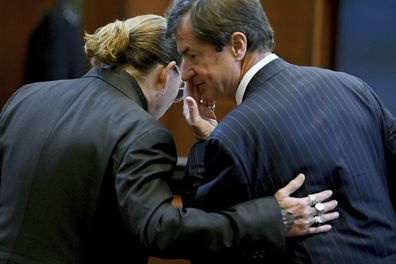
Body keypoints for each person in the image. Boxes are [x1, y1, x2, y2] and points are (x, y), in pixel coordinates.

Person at [0, 15, 338, 264]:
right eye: (180, 92)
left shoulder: (26, 98)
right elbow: (160, 230)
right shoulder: (139, 129)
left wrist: (211, 146)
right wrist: (271, 217)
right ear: (168, 72)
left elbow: (96, 169)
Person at [166, 0, 396, 263]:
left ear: (237, 46)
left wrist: (205, 145)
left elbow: (208, 247)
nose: (184, 73)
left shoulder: (234, 137)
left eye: (191, 55)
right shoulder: (353, 88)